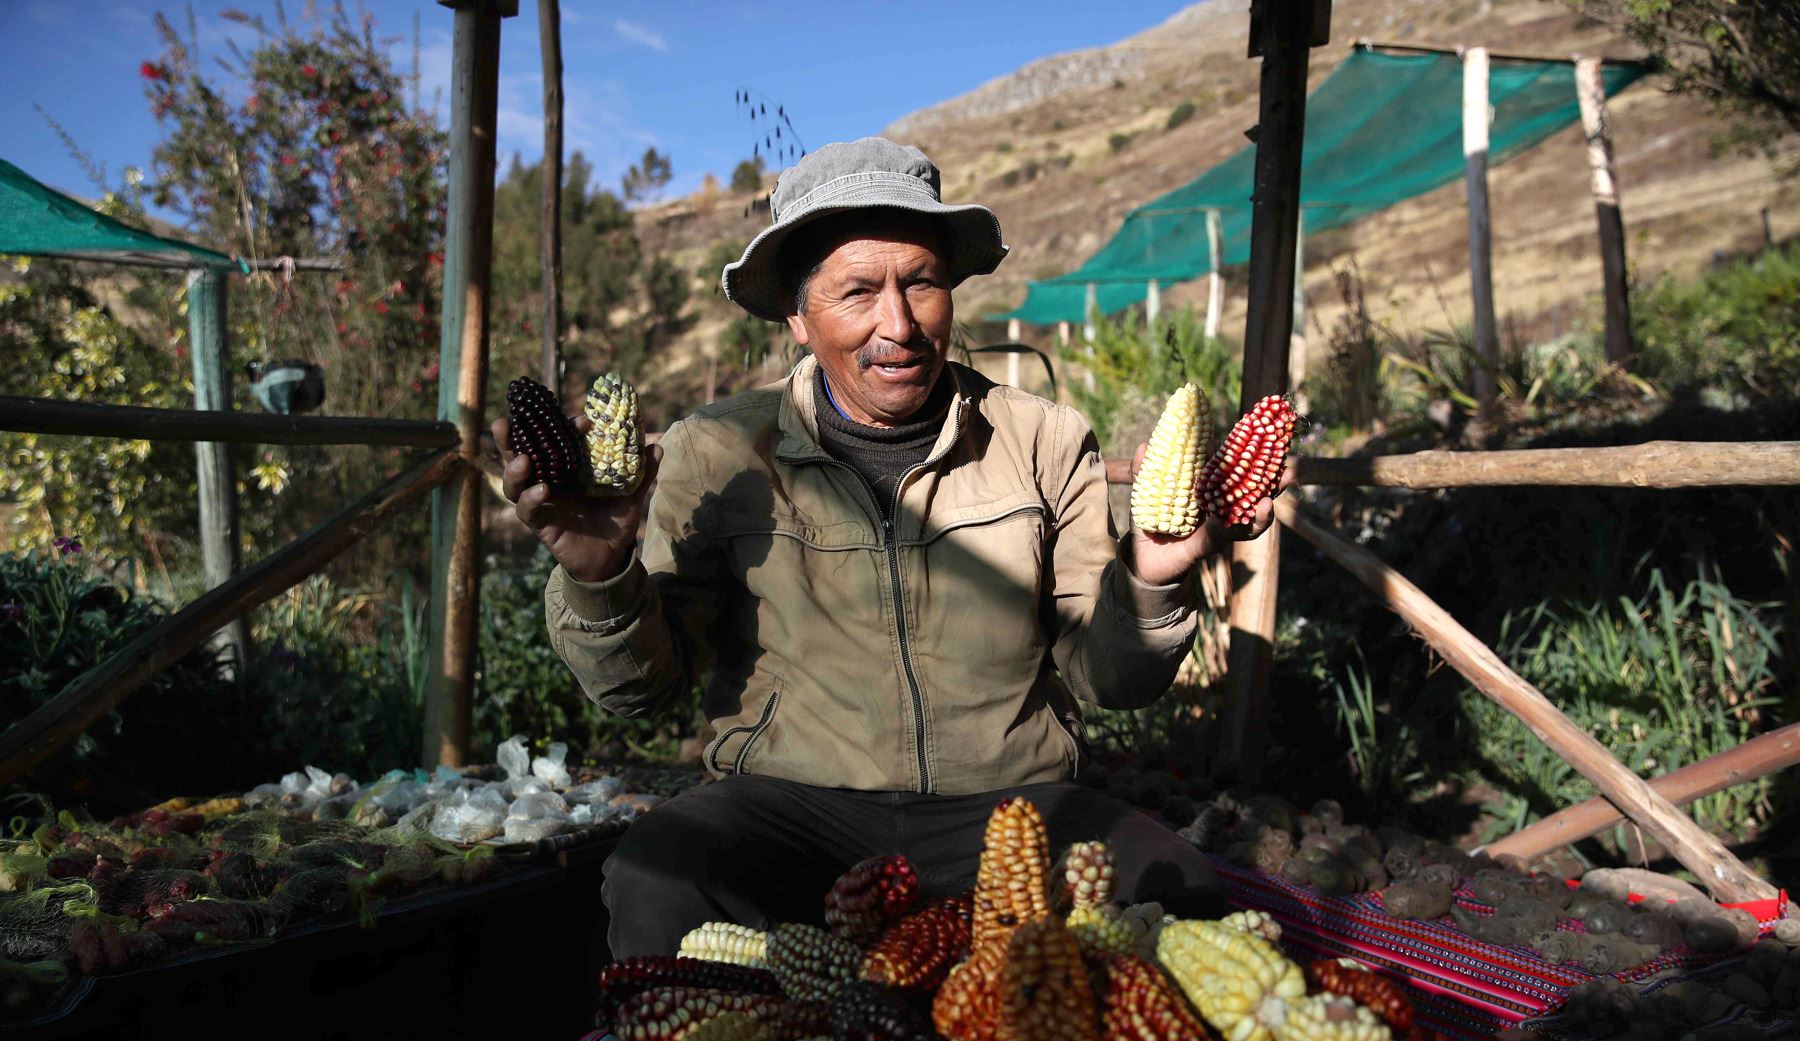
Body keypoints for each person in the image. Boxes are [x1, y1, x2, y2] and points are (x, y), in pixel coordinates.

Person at [496, 137, 1280, 959]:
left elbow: (1112, 679)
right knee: (659, 876)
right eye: (858, 292)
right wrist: (599, 576)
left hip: (1011, 809)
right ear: (799, 319)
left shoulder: (1045, 437)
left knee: (1179, 890)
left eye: (922, 283)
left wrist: (1153, 575)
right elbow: (640, 696)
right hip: (793, 809)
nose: (897, 325)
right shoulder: (718, 449)